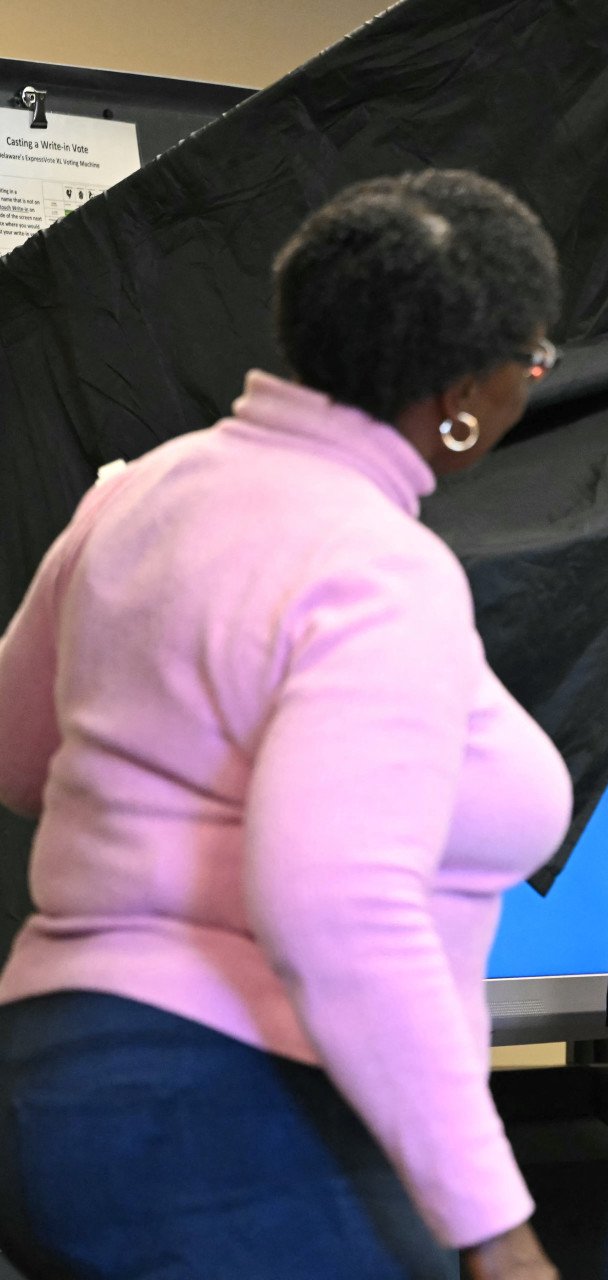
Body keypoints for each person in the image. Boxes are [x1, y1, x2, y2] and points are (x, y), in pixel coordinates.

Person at [0, 170, 570, 1280]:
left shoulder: (143, 490)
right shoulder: (376, 564)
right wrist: (497, 1230)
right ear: (464, 392)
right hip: (224, 1109)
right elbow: (337, 902)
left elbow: (18, 754)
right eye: (532, 363)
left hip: (48, 1077)